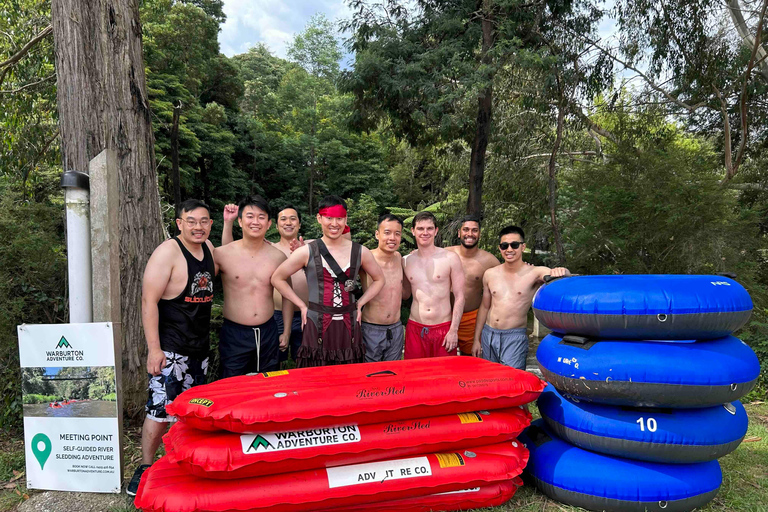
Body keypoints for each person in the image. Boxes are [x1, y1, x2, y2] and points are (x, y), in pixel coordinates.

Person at [128, 199, 216, 496]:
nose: (198, 227)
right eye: (191, 221)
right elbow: (148, 300)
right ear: (179, 223)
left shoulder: (209, 250)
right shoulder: (168, 252)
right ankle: (145, 466)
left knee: (189, 412)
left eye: (204, 221)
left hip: (199, 348)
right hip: (170, 349)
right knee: (159, 410)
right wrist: (155, 349)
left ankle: (179, 463)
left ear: (210, 224)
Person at [271, 195, 385, 367]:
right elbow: (277, 278)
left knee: (347, 375)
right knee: (316, 375)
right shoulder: (307, 251)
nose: (334, 223)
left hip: (349, 324)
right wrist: (301, 306)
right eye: (329, 218)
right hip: (316, 323)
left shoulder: (360, 251)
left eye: (339, 218)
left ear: (345, 219)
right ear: (319, 218)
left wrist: (360, 304)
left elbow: (379, 279)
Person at [214, 196, 293, 378]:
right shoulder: (221, 254)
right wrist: (227, 223)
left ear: (269, 223)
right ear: (240, 221)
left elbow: (288, 296)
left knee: (268, 387)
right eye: (250, 216)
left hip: (268, 332)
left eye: (261, 217)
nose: (255, 222)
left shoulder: (278, 257)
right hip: (235, 333)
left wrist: (286, 331)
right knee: (232, 386)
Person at [471, 225, 570, 369]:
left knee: (512, 380)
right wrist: (476, 340)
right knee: (490, 379)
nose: (509, 249)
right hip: (488, 333)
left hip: (514, 336)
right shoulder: (490, 274)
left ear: (523, 247)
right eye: (504, 246)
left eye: (514, 245)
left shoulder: (534, 273)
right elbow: (484, 307)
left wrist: (563, 271)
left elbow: (559, 275)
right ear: (500, 248)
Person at [222, 204, 305, 366]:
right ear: (275, 225)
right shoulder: (270, 250)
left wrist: (307, 252)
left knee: (305, 362)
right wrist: (228, 223)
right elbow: (228, 252)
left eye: (293, 219)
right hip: (275, 315)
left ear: (300, 224)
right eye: (283, 219)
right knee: (274, 363)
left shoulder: (311, 246)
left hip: (306, 315)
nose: (288, 222)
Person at [402, 212, 465, 358]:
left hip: (443, 328)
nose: (425, 232)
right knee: (415, 376)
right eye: (420, 228)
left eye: (429, 228)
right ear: (413, 231)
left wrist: (454, 330)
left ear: (436, 231)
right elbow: (404, 294)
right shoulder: (406, 261)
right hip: (415, 328)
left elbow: (460, 296)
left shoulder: (450, 258)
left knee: (444, 377)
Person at [446, 215, 500, 355]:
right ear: (459, 233)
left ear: (479, 234)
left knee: (471, 361)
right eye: (466, 230)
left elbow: (508, 274)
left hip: (472, 318)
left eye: (474, 230)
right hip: (445, 316)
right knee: (443, 362)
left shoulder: (489, 260)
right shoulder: (445, 253)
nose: (470, 234)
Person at [359, 214, 406, 362]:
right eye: (387, 232)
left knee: (393, 374)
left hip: (396, 328)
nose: (392, 238)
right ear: (377, 234)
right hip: (371, 328)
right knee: (369, 375)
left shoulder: (399, 258)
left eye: (397, 233)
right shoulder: (365, 258)